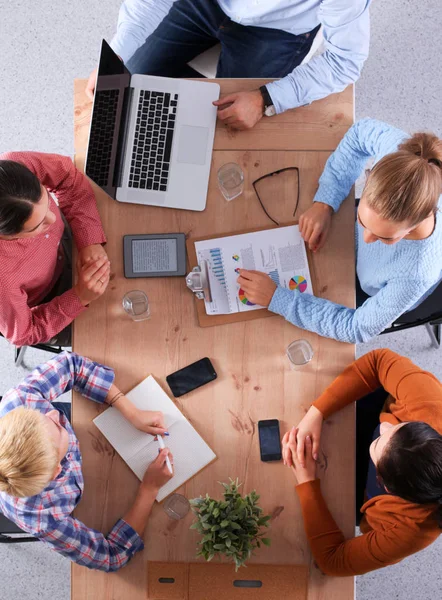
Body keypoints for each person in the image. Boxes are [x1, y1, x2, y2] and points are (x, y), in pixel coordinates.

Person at [238, 118, 442, 343]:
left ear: (419, 221)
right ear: (370, 175)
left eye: (384, 237)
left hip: (376, 290)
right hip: (354, 256)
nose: (366, 238)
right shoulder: (403, 156)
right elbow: (359, 132)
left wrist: (277, 298)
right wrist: (325, 202)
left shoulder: (416, 274)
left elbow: (356, 329)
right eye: (363, 221)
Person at [0, 351, 173, 571]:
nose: (55, 414)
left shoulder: (21, 401)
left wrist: (131, 412)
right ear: (56, 472)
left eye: (41, 416)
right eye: (58, 429)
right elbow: (111, 557)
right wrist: (149, 489)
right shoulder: (42, 518)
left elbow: (71, 364)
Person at [85, 0, 370, 130]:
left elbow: (344, 60)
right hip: (203, 4)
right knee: (129, 77)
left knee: (229, 123)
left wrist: (265, 99)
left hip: (278, 30)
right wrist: (117, 52)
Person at [282, 349, 442, 576]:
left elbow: (333, 561)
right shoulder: (431, 403)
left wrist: (307, 480)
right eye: (397, 427)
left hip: (360, 496)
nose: (385, 426)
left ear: (384, 484)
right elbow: (379, 360)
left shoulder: (410, 532)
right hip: (361, 416)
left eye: (378, 444)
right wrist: (316, 413)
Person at [0, 151, 110, 347]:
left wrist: (89, 240)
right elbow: (25, 334)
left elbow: (67, 176)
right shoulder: (3, 281)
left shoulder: (14, 169)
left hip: (71, 243)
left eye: (46, 199)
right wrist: (79, 297)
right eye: (38, 225)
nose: (52, 219)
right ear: (8, 236)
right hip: (50, 304)